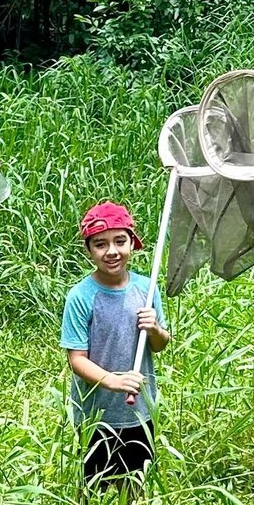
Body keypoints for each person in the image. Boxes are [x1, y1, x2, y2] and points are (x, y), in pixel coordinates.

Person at [62, 201, 171, 488]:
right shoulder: (81, 296)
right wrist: (113, 380)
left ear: (132, 244)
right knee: (94, 486)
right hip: (96, 414)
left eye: (120, 241)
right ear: (89, 250)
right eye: (100, 244)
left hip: (140, 411)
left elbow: (160, 345)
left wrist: (155, 328)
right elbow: (77, 359)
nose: (112, 251)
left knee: (136, 485)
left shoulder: (147, 290)